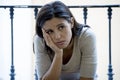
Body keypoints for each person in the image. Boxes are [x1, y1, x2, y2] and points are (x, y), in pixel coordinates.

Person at [33, 1, 97, 80]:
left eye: (61, 27)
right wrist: (58, 53)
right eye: (50, 31)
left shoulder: (86, 36)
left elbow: (87, 78)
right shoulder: (40, 40)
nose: (57, 37)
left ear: (72, 22)